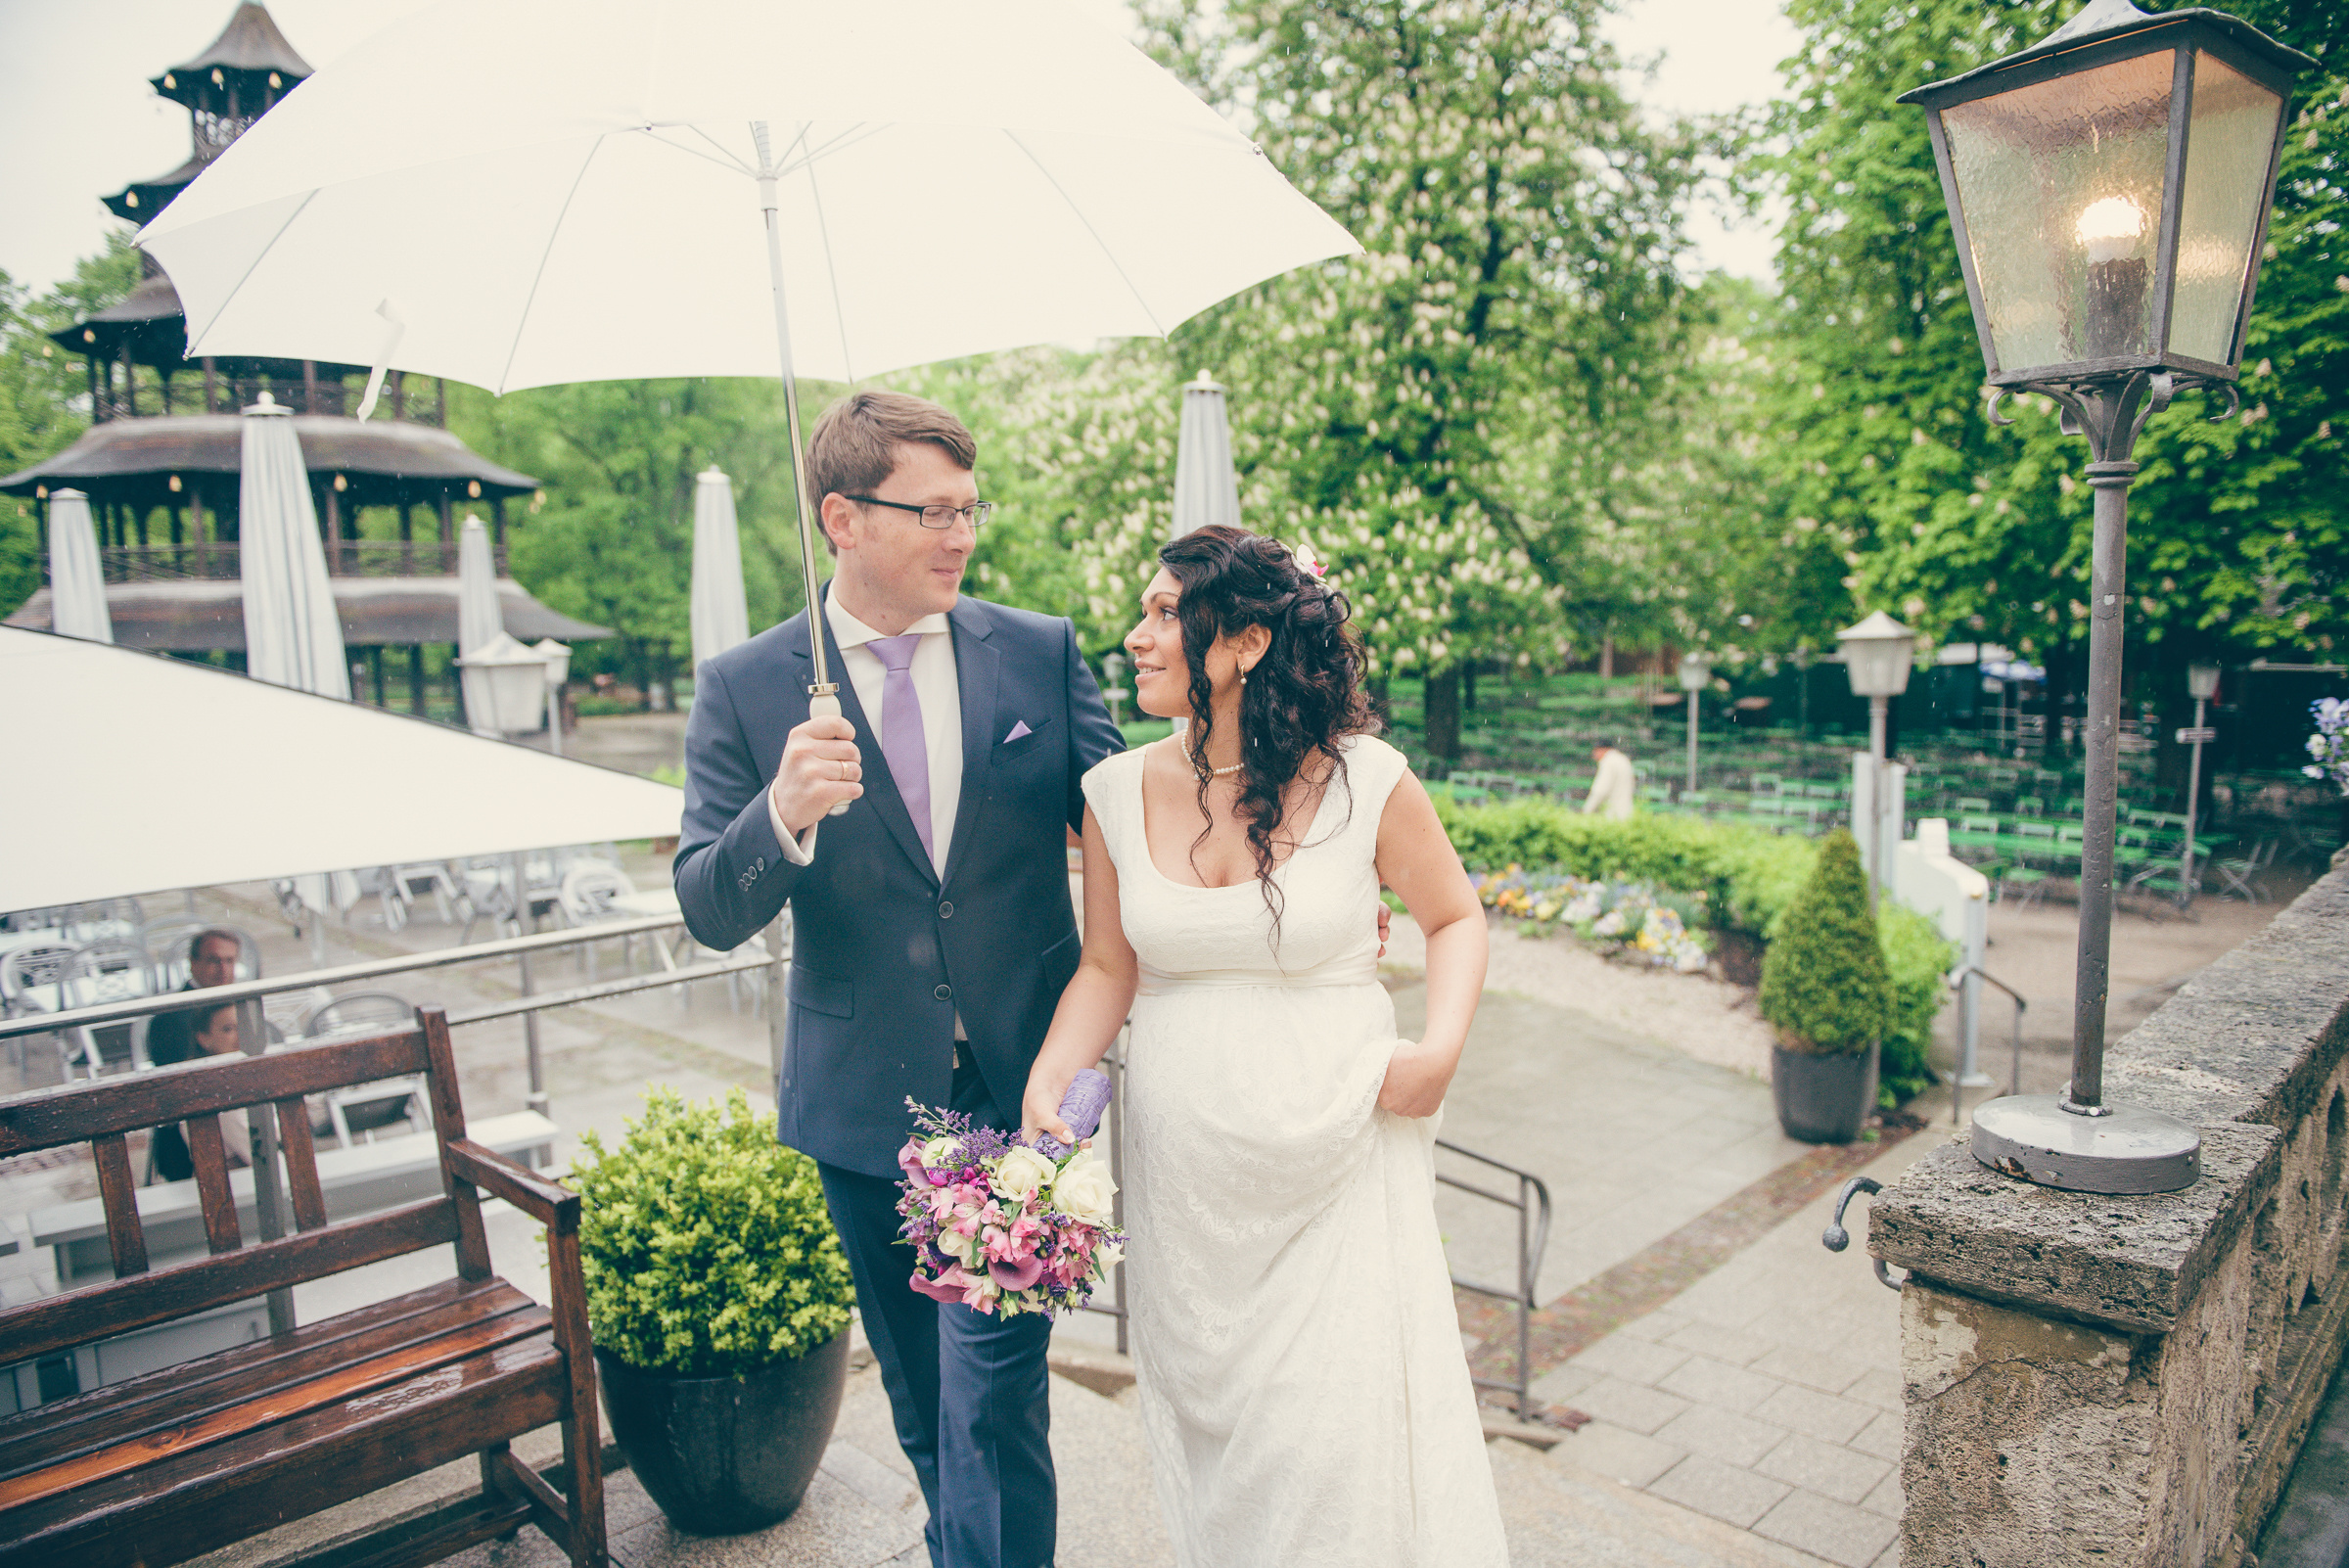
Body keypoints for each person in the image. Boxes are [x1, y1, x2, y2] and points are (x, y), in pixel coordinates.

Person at [672, 391, 1126, 1568]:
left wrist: (1287, 884)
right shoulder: (745, 687)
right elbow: (707, 908)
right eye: (932, 511)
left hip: (1021, 1091)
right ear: (841, 516)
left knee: (1000, 1395)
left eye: (971, 509)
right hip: (865, 1106)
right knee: (927, 1402)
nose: (961, 536)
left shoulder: (1038, 649)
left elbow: (1136, 820)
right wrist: (782, 812)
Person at [1021, 526, 1508, 1567]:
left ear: (1241, 643)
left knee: (1336, 1444)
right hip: (1190, 1194)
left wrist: (1440, 1048)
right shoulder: (1111, 792)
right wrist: (1053, 1072)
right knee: (1229, 1456)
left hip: (1339, 1158)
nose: (1135, 637)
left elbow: (1456, 917)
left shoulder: (1368, 778)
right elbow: (1109, 968)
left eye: (1163, 614)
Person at [147, 929, 246, 1182]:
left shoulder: (240, 1003)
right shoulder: (170, 1018)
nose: (223, 969)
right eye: (214, 960)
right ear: (193, 963)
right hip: (193, 1146)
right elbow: (179, 1094)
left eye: (230, 961)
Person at [152, 1002, 253, 1179]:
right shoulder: (217, 1092)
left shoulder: (240, 1080)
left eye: (243, 1026)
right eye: (228, 1029)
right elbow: (258, 1152)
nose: (240, 1036)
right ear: (204, 1039)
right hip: (237, 1189)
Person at [1584, 740, 1637, 820]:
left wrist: (1587, 810)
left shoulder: (1608, 762)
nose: (1594, 755)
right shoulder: (1623, 759)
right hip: (1627, 812)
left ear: (1602, 750)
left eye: (1595, 752)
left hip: (1612, 814)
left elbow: (1600, 790)